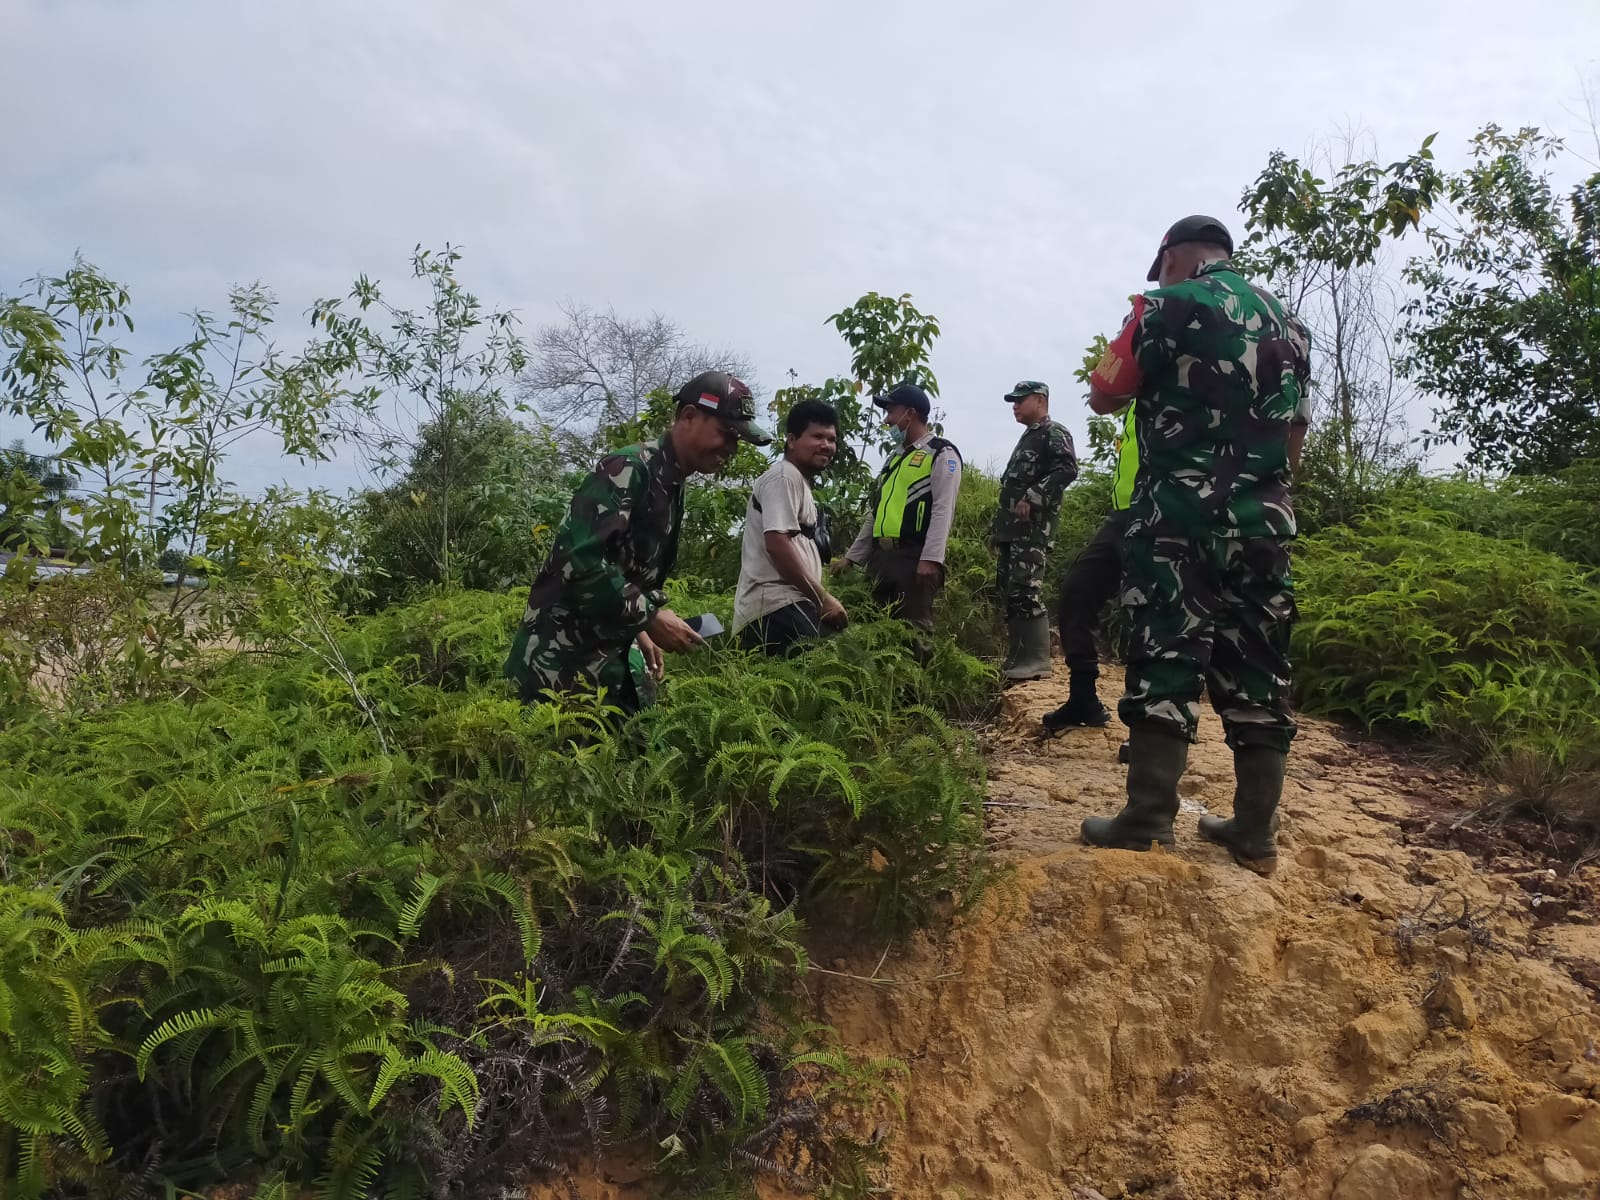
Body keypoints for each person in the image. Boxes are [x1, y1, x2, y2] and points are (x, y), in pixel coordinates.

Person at [1077, 215, 1312, 875]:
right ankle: (1254, 830)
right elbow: (1294, 429)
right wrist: (1270, 494)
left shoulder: (1164, 306)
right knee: (1259, 662)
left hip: (1178, 516)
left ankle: (1148, 818)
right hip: (1265, 520)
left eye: (1163, 267)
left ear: (1174, 257)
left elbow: (1103, 392)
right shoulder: (1292, 327)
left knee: (1166, 649)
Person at [1043, 377, 1310, 735]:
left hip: (1170, 514)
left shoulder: (1189, 380)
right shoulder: (1142, 393)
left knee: (1160, 616)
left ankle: (1158, 729)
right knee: (1078, 592)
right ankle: (1083, 698)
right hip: (1127, 514)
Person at [504, 369, 772, 715]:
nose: (732, 449)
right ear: (688, 417)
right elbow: (580, 561)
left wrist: (639, 630)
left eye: (739, 439)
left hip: (605, 665)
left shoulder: (671, 481)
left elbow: (622, 565)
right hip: (559, 670)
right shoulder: (628, 469)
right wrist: (649, 617)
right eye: (726, 434)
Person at [832, 383, 963, 645]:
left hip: (914, 559)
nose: (887, 420)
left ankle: (915, 688)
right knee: (878, 636)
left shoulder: (940, 453)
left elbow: (942, 509)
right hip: (881, 560)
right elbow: (876, 512)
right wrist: (852, 558)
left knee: (913, 637)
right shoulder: (895, 458)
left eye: (891, 412)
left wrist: (931, 559)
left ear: (910, 414)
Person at [733, 399, 849, 655]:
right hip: (775, 608)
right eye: (818, 436)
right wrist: (823, 598)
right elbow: (778, 544)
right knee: (837, 665)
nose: (827, 445)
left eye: (832, 439)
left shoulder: (798, 480)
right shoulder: (784, 476)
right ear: (792, 440)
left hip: (785, 607)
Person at [991, 380, 1078, 681]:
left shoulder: (1054, 433)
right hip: (1012, 531)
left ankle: (1036, 661)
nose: (1014, 405)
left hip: (1032, 530)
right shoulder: (1029, 437)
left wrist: (1034, 496)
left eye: (1020, 399)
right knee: (1010, 590)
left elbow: (1067, 469)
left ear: (1040, 400)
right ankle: (1018, 658)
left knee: (1026, 589)